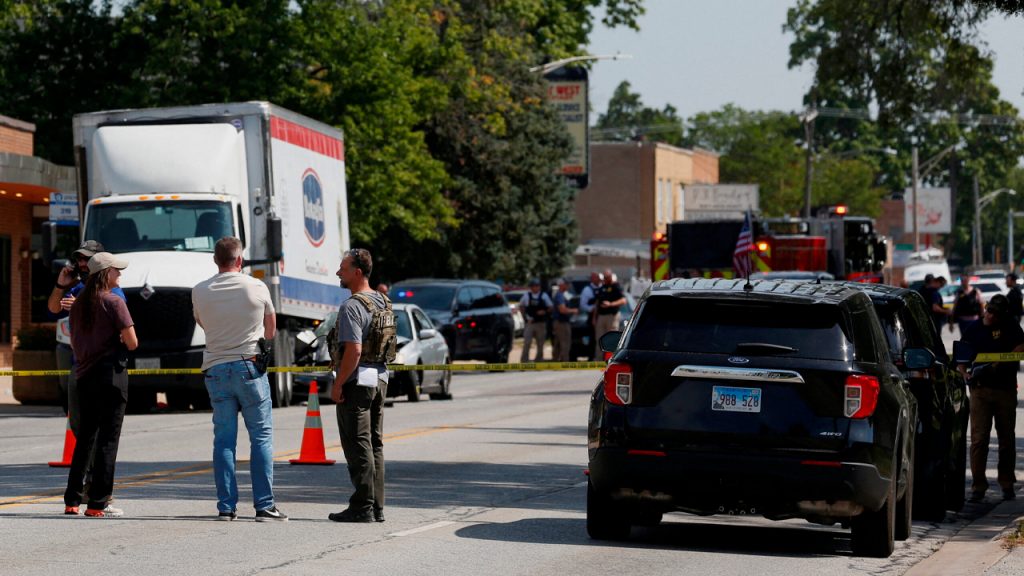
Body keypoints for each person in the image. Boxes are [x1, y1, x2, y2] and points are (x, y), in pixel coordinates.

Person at [191, 237, 286, 522]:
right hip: (248, 365)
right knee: (261, 437)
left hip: (216, 368)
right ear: (240, 260)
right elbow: (271, 326)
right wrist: (262, 346)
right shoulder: (256, 286)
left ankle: (226, 507)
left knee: (223, 441)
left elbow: (202, 323)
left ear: (215, 260)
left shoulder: (199, 290)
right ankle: (264, 505)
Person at [62, 252, 137, 518]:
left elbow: (74, 341)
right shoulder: (115, 302)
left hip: (85, 376)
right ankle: (97, 503)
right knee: (107, 439)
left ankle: (72, 500)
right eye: (117, 271)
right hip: (111, 376)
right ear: (106, 274)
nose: (120, 275)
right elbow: (132, 342)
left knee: (85, 438)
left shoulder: (78, 304)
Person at [330, 248, 396, 523]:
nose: (338, 273)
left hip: (358, 382)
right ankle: (376, 506)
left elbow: (354, 351)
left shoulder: (353, 306)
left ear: (357, 272)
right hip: (380, 378)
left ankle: (362, 507)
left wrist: (339, 383)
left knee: (358, 445)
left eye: (343, 269)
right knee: (375, 444)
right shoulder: (382, 301)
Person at [957, 294, 1024, 502]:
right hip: (980, 391)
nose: (991, 315)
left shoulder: (1011, 325)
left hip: (1005, 389)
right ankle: (978, 486)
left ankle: (1007, 484)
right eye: (989, 311)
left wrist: (1002, 362)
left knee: (1006, 440)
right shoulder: (974, 329)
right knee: (979, 440)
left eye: (995, 313)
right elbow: (961, 356)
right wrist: (964, 373)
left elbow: (1022, 345)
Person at [593, 269, 626, 357]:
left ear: (610, 277)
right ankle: (599, 359)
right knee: (599, 339)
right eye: (604, 277)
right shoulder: (602, 288)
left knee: (612, 340)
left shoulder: (616, 286)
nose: (604, 279)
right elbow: (597, 303)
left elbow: (623, 300)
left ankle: (611, 359)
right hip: (601, 316)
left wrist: (610, 304)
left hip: (612, 316)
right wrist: (594, 317)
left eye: (606, 277)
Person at [519, 279, 553, 362]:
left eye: (537, 286)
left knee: (540, 343)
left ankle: (539, 360)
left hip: (540, 323)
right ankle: (524, 361)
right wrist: (525, 317)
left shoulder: (544, 295)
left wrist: (544, 311)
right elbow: (521, 306)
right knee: (527, 342)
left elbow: (551, 307)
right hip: (530, 323)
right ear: (531, 287)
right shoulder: (527, 295)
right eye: (534, 286)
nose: (536, 288)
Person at [551, 279, 579, 362]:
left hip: (560, 322)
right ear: (561, 285)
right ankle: (565, 362)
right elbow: (562, 310)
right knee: (565, 343)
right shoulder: (560, 295)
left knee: (558, 343)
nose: (568, 286)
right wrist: (573, 310)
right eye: (566, 284)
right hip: (561, 323)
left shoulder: (563, 294)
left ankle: (555, 360)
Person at [578, 272, 602, 360]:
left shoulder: (603, 288)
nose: (598, 279)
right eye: (596, 277)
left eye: (599, 277)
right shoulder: (587, 290)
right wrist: (592, 308)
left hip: (603, 316)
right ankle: (592, 356)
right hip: (593, 317)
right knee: (593, 338)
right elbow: (583, 305)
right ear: (592, 279)